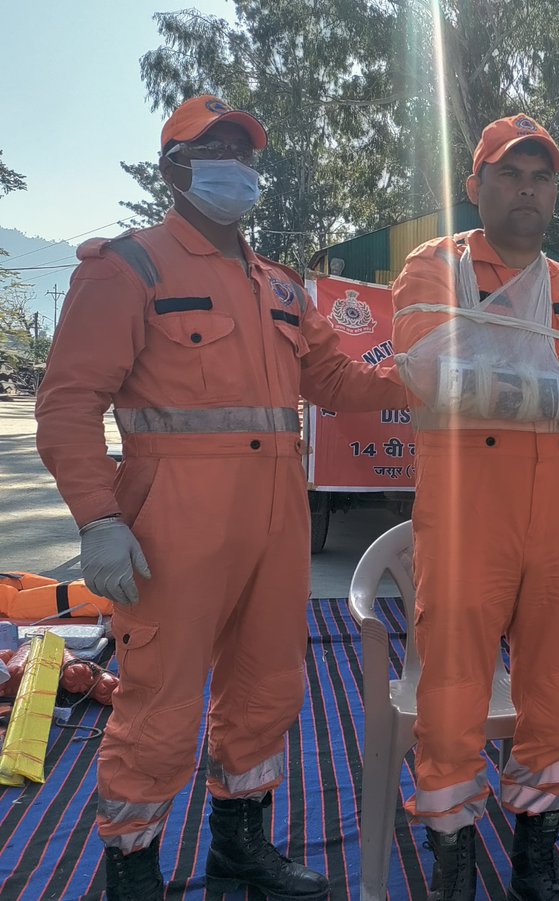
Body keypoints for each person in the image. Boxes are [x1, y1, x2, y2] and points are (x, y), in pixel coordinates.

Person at [35, 95, 408, 900]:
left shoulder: (278, 284)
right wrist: (99, 519)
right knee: (159, 705)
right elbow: (67, 405)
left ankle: (240, 845)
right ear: (174, 168)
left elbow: (335, 380)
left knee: (267, 689)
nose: (236, 164)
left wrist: (417, 375)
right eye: (216, 148)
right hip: (174, 523)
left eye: (245, 150)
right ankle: (133, 867)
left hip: (276, 524)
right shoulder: (126, 267)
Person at [389, 114, 559, 901]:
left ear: (554, 192)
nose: (526, 190)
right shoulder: (433, 268)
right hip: (468, 505)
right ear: (476, 187)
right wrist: (553, 387)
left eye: (540, 177)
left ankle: (536, 850)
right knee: (454, 684)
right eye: (509, 175)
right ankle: (452, 847)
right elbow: (433, 370)